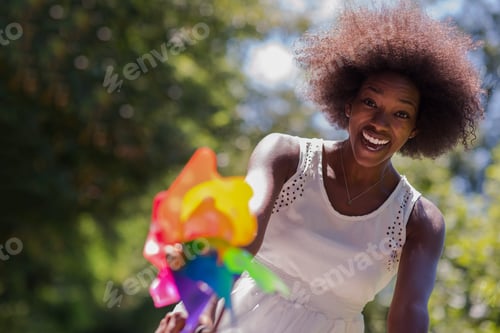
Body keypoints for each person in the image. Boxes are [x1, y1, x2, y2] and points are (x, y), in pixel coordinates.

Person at [155, 1, 484, 332]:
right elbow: (245, 230)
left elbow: (411, 314)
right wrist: (200, 304)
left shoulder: (420, 221)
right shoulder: (284, 156)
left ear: (415, 128)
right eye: (370, 102)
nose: (381, 123)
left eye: (401, 113)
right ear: (348, 105)